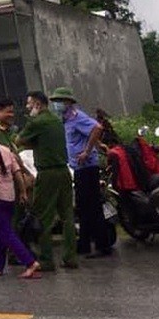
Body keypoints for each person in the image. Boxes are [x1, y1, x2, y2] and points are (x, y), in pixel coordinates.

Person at [15, 91, 78, 272]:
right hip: (64, 171)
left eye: (29, 104)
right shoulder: (57, 121)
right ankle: (70, 257)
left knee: (43, 217)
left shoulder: (37, 122)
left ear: (37, 104)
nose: (27, 108)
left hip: (47, 173)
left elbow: (19, 140)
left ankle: (46, 259)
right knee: (67, 216)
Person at [50, 87, 111, 258]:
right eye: (55, 102)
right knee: (83, 208)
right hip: (79, 168)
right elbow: (89, 133)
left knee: (92, 207)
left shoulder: (77, 117)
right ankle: (84, 244)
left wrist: (87, 150)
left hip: (87, 167)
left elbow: (97, 128)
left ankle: (102, 246)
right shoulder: (67, 120)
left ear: (68, 102)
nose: (56, 105)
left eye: (59, 101)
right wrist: (97, 145)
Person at [0, 122, 40, 278]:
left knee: (5, 232)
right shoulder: (5, 150)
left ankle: (30, 262)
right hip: (9, 196)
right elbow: (17, 172)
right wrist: (23, 192)